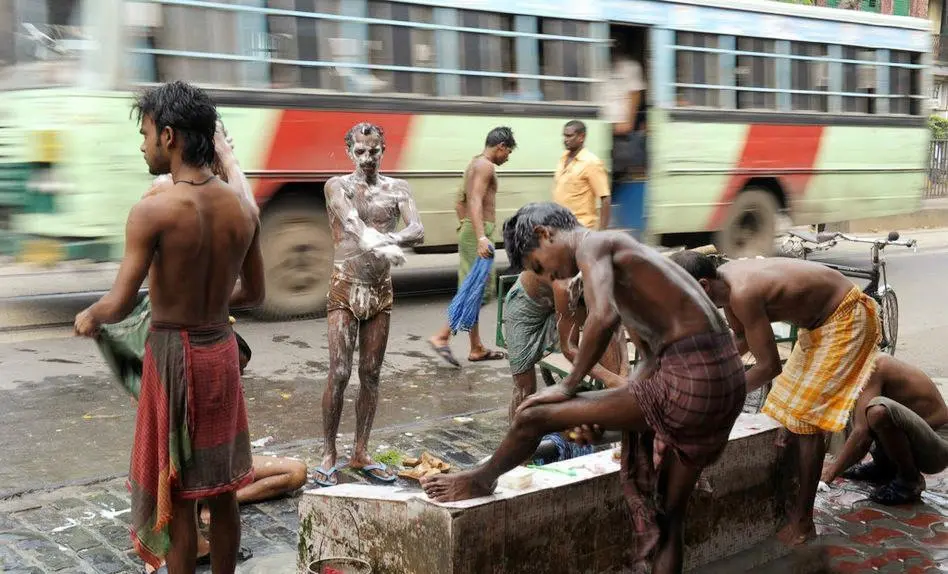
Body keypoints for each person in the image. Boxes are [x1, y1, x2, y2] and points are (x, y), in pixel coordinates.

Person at [422, 203, 747, 574]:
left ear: (546, 234)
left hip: (693, 381)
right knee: (669, 519)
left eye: (541, 266)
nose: (550, 277)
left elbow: (603, 316)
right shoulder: (631, 262)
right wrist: (609, 412)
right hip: (724, 380)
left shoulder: (595, 244)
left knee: (534, 413)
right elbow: (648, 360)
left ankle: (481, 478)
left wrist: (569, 386)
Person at [74, 80, 265, 574]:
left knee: (177, 492)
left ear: (170, 137)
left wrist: (90, 317)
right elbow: (255, 294)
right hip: (220, 352)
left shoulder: (153, 210)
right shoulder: (243, 211)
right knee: (222, 491)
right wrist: (211, 304)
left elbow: (118, 304)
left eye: (146, 133)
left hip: (173, 357)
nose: (142, 145)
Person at [670, 251, 881, 546]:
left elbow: (769, 366)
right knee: (787, 411)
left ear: (703, 286)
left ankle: (804, 523)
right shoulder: (726, 286)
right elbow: (742, 338)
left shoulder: (742, 293)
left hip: (846, 318)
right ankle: (792, 492)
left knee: (805, 422)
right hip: (818, 325)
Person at [315, 122, 424, 488]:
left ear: (383, 150)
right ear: (349, 152)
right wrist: (379, 242)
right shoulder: (337, 185)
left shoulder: (398, 188)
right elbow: (351, 222)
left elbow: (417, 230)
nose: (366, 158)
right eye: (359, 152)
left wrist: (391, 237)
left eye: (373, 151)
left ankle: (361, 450)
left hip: (380, 289)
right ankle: (329, 452)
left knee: (372, 374)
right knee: (340, 371)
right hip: (346, 287)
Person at [428, 127, 517, 368]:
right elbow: (475, 200)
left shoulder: (474, 164)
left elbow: (460, 201)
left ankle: (476, 347)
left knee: (474, 286)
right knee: (478, 288)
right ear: (500, 146)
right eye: (508, 152)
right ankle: (442, 336)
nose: (507, 157)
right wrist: (479, 236)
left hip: (473, 230)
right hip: (479, 233)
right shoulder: (486, 166)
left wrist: (467, 228)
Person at [502, 266, 628, 421]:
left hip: (570, 296)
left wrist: (624, 370)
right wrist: (610, 379)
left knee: (608, 337)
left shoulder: (605, 269)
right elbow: (569, 348)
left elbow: (615, 322)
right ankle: (518, 438)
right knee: (524, 389)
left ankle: (621, 431)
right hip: (527, 306)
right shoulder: (565, 282)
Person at [821, 354, 948, 505]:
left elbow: (862, 436)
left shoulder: (872, 366)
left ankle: (910, 480)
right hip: (918, 438)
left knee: (877, 412)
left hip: (937, 448)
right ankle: (884, 467)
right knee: (864, 411)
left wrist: (829, 474)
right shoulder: (862, 365)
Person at [552, 120, 611, 230]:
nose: (565, 140)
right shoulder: (563, 158)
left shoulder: (591, 162)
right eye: (564, 136)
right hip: (560, 226)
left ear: (581, 137)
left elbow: (605, 198)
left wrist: (602, 232)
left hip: (581, 228)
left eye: (569, 136)